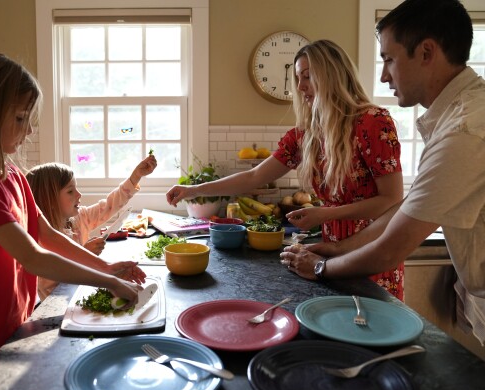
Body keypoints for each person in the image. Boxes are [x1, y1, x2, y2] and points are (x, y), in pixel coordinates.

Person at [280, 0, 485, 375]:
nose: (384, 76)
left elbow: (392, 247)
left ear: (426, 52)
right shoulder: (468, 113)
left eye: (388, 59)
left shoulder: (467, 130)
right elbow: (405, 213)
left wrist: (321, 267)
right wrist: (336, 248)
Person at [0, 49, 146, 390]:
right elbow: (33, 256)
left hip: (8, 314)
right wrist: (106, 281)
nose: (28, 130)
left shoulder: (10, 172)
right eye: (19, 117)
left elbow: (47, 235)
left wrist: (107, 267)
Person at [166, 39, 405, 299]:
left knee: (373, 328)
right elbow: (254, 176)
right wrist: (193, 190)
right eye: (297, 78)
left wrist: (325, 214)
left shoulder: (373, 122)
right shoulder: (307, 134)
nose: (300, 87)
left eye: (307, 76)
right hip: (329, 252)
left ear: (332, 76)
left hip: (373, 248)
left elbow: (391, 200)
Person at [26, 157, 157, 300]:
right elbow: (48, 286)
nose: (79, 195)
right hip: (58, 306)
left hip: (81, 295)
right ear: (49, 200)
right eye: (70, 191)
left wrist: (135, 177)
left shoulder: (79, 218)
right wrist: (85, 254)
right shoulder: (39, 239)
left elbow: (109, 206)